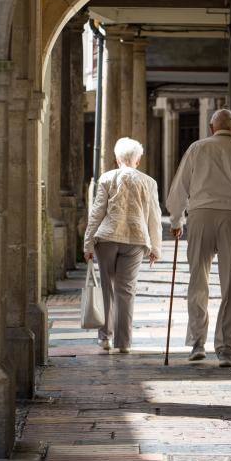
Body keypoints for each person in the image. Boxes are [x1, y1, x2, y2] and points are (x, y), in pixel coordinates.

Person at [167, 109, 231, 367]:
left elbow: (179, 188)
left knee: (197, 281)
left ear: (212, 128)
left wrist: (177, 220)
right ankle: (225, 350)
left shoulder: (197, 148)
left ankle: (197, 344)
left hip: (200, 216)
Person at [84, 137, 162, 353]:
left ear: (117, 158)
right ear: (137, 160)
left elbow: (97, 212)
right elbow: (154, 217)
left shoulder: (107, 178)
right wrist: (155, 247)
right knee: (126, 291)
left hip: (108, 238)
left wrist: (88, 244)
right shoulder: (149, 182)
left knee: (107, 288)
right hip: (136, 239)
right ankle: (124, 343)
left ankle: (105, 339)